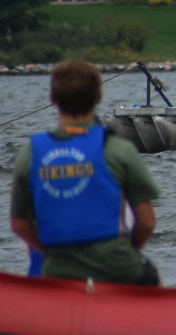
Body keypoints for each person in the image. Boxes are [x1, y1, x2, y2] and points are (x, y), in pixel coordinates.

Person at [10, 60, 161, 285]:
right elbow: (147, 222)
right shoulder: (120, 150)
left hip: (57, 268)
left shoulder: (30, 153)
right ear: (100, 96)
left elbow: (20, 224)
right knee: (152, 276)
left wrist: (51, 252)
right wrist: (128, 252)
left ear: (52, 98)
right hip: (117, 265)